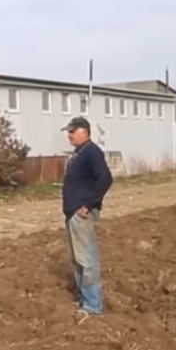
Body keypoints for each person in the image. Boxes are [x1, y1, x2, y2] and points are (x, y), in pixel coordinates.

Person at [61, 116, 113, 320]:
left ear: (85, 132)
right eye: (69, 132)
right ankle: (84, 298)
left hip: (81, 213)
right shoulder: (79, 154)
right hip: (72, 212)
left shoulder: (91, 152)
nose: (69, 135)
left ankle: (93, 304)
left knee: (86, 259)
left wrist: (88, 204)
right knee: (78, 259)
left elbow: (106, 178)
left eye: (73, 131)